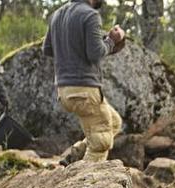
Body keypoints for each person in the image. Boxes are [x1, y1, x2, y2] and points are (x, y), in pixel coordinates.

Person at [42, 0, 126, 162]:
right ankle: (85, 177)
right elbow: (95, 53)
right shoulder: (90, 15)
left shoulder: (57, 15)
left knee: (114, 122)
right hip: (85, 90)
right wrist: (112, 40)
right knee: (101, 141)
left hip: (64, 90)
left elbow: (47, 49)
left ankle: (75, 155)